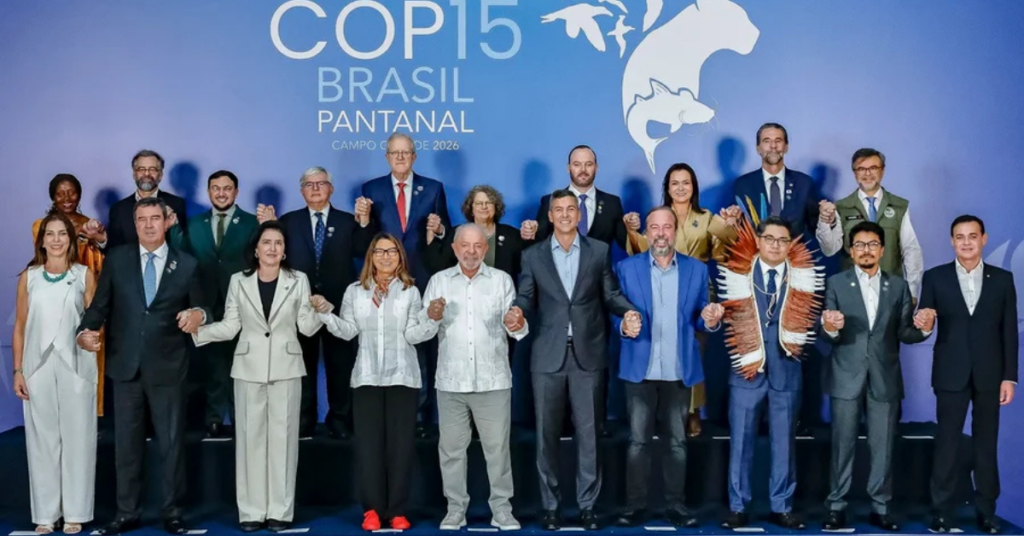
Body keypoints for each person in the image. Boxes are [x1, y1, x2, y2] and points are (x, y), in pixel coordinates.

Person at [77, 196, 209, 535]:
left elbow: (205, 309)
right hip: (125, 367)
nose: (149, 224)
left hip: (169, 366)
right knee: (126, 447)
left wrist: (199, 315)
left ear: (167, 222)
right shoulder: (117, 259)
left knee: (171, 443)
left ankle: (172, 511)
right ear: (134, 224)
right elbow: (100, 306)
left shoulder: (188, 264)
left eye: (155, 218)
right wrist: (84, 332)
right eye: (142, 219)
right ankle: (126, 513)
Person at [515, 189, 639, 531]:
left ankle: (587, 506)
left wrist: (629, 312)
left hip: (589, 354)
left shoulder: (598, 252)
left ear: (579, 215)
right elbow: (526, 297)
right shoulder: (533, 255)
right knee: (546, 437)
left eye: (571, 208)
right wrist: (515, 312)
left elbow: (611, 295)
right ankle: (551, 507)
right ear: (550, 216)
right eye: (559, 210)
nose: (566, 214)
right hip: (546, 355)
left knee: (589, 437)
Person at [193, 221, 322, 532]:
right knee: (250, 442)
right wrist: (197, 332)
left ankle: (280, 511)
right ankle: (250, 512)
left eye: (278, 243)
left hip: (287, 367)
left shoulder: (298, 280)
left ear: (285, 250)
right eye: (267, 242)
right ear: (256, 248)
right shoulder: (239, 281)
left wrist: (320, 309)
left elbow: (306, 326)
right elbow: (231, 325)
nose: (272, 248)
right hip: (248, 368)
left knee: (284, 442)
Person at [311, 233, 434, 532]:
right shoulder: (355, 291)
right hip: (366, 379)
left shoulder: (410, 292)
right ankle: (373, 511)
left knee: (400, 447)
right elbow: (348, 331)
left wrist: (433, 319)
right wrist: (326, 313)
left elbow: (414, 335)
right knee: (369, 448)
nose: (386, 256)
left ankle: (398, 509)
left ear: (400, 256)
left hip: (402, 378)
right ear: (371, 256)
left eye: (392, 251)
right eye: (379, 251)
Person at [613, 207, 724, 528]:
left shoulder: (696, 270)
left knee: (677, 443)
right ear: (645, 233)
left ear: (675, 231)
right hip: (639, 370)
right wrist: (623, 324)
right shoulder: (626, 268)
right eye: (654, 228)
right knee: (638, 442)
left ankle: (676, 506)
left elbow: (703, 314)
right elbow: (613, 311)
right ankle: (635, 507)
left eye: (667, 227)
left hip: (678, 370)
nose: (661, 234)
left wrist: (711, 318)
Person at [820, 221, 932, 531]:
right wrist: (830, 326)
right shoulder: (836, 283)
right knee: (842, 444)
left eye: (872, 245)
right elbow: (827, 332)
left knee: (882, 447)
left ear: (882, 250)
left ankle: (880, 506)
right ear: (851, 250)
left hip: (885, 378)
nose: (865, 250)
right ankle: (836, 505)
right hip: (846, 376)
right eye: (859, 244)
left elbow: (905, 332)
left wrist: (924, 327)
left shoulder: (898, 286)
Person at [717, 215, 823, 530]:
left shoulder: (805, 276)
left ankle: (782, 505)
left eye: (782, 240)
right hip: (746, 374)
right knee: (741, 443)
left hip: (787, 372)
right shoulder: (737, 273)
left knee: (784, 443)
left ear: (790, 245)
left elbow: (813, 323)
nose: (775, 245)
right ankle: (738, 506)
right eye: (770, 239)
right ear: (759, 241)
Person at [421, 224, 529, 532]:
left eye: (478, 246)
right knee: (451, 451)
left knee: (497, 450)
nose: (471, 252)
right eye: (465, 246)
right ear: (454, 248)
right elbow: (421, 331)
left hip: (493, 382)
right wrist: (432, 316)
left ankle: (502, 510)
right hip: (451, 382)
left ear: (485, 249)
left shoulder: (501, 281)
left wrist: (516, 321)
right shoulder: (439, 281)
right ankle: (455, 510)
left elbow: (517, 330)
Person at [732, 122, 838, 434]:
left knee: (792, 349)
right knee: (757, 345)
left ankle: (795, 417)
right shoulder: (743, 184)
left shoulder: (804, 184)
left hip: (795, 284)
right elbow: (741, 236)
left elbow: (818, 232)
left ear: (787, 147)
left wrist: (827, 219)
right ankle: (756, 417)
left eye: (779, 141)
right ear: (758, 148)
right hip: (755, 283)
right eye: (767, 141)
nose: (773, 146)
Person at [256, 166, 375, 439]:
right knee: (302, 366)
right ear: (301, 191)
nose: (316, 188)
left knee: (341, 365)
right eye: (309, 185)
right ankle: (303, 422)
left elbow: (363, 251)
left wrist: (365, 223)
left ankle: (341, 421)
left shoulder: (349, 221)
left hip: (339, 305)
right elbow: (274, 255)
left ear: (331, 189)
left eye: (321, 183)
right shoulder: (288, 221)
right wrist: (269, 227)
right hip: (299, 304)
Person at [623, 163, 741, 436]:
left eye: (686, 182)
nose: (680, 188)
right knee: (659, 352)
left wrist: (731, 223)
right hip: (659, 290)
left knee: (693, 354)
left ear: (693, 187)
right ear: (667, 188)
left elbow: (725, 247)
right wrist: (631, 231)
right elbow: (639, 250)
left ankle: (693, 411)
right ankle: (662, 411)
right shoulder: (658, 216)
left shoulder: (707, 216)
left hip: (695, 291)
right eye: (674, 183)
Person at [521, 145, 629, 439]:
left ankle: (597, 422)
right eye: (577, 164)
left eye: (589, 164)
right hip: (552, 323)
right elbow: (537, 255)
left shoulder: (612, 204)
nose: (583, 169)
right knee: (549, 430)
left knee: (591, 421)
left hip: (592, 315)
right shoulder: (548, 203)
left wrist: (634, 231)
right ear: (568, 167)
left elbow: (626, 247)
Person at [919, 215, 1018, 534]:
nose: (966, 242)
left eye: (972, 236)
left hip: (991, 375)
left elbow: (1009, 334)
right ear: (951, 241)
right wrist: (923, 322)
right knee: (947, 443)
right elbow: (924, 323)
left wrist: (1010, 376)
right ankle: (942, 512)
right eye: (959, 236)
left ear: (984, 239)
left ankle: (987, 512)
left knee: (986, 445)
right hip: (950, 373)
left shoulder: (1003, 279)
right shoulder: (934, 277)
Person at [360, 133, 452, 437]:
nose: (400, 157)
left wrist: (439, 231)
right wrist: (362, 222)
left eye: (406, 153)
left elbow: (447, 233)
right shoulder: (371, 189)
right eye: (394, 153)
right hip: (385, 279)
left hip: (423, 278)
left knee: (424, 348)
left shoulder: (434, 188)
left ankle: (424, 416)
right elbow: (366, 238)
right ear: (387, 157)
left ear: (414, 156)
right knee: (388, 345)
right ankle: (395, 415)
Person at [14, 213, 99, 535]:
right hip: (37, 367)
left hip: (76, 367)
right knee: (42, 441)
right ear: (41, 240)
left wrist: (92, 338)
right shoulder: (30, 277)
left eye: (62, 234)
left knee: (78, 439)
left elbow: (95, 320)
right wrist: (19, 370)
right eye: (50, 234)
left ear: (71, 239)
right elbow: (20, 327)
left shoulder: (83, 275)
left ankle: (76, 512)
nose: (56, 240)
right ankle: (46, 515)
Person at [184, 170, 258, 438]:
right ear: (208, 192)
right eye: (216, 188)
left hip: (242, 302)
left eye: (227, 188)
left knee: (243, 365)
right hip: (206, 303)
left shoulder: (252, 223)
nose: (221, 193)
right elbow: (185, 260)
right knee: (214, 366)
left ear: (236, 192)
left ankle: (243, 420)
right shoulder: (194, 224)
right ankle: (214, 419)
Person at [31, 173, 108, 416]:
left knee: (89, 353)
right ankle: (56, 412)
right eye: (60, 193)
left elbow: (101, 260)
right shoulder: (41, 225)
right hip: (55, 299)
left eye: (72, 192)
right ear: (52, 196)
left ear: (80, 194)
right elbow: (53, 252)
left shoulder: (91, 222)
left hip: (88, 296)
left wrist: (100, 238)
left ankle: (88, 414)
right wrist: (82, 235)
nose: (67, 198)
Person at [818, 148, 924, 301]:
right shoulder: (841, 207)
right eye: (861, 169)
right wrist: (824, 222)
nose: (867, 174)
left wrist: (912, 291)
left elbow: (911, 250)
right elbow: (829, 249)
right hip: (851, 293)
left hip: (891, 292)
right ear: (854, 172)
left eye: (873, 168)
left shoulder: (899, 206)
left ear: (883, 170)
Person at [423, 185, 525, 284]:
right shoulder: (457, 232)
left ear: (496, 207)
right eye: (479, 203)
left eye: (489, 203)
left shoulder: (512, 235)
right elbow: (439, 266)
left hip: (500, 296)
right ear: (471, 208)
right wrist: (431, 233)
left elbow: (526, 266)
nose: (484, 206)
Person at [104, 150, 188, 250]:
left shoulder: (177, 204)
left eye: (152, 169)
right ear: (134, 174)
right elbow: (113, 250)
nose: (147, 173)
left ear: (160, 175)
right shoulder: (118, 209)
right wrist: (101, 241)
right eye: (141, 169)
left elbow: (182, 247)